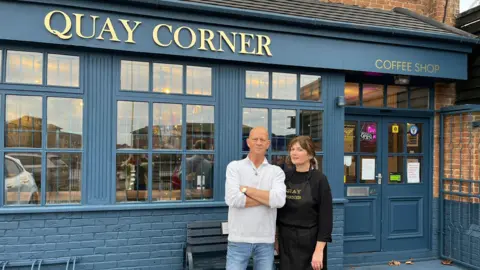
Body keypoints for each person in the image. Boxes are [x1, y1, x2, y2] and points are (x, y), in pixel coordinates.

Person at [225, 126, 286, 270]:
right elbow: (233, 199)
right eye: (255, 139)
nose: (259, 142)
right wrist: (266, 199)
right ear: (248, 142)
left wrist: (246, 190)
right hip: (238, 239)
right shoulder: (234, 167)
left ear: (268, 144)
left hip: (265, 240)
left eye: (262, 139)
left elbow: (279, 200)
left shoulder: (276, 172)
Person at [276, 136, 333, 270]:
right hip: (286, 242)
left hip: (310, 242)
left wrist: (319, 251)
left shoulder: (319, 179)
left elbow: (326, 218)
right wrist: (276, 238)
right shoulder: (284, 177)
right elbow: (277, 211)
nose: (294, 153)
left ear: (310, 154)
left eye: (300, 149)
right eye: (292, 149)